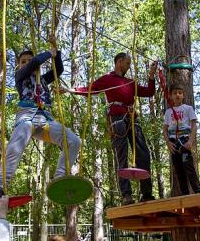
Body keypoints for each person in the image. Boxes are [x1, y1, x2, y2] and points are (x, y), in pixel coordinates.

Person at [0, 43, 81, 200]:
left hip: (45, 120)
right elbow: (34, 62)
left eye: (28, 60)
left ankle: (59, 178)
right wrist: (47, 54)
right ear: (19, 65)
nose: (27, 63)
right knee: (14, 147)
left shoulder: (43, 79)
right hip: (27, 117)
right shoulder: (20, 76)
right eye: (23, 61)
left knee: (74, 141)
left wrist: (55, 50)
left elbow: (59, 70)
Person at [63, 52, 157, 205]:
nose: (128, 66)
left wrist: (151, 77)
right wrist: (69, 90)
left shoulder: (130, 82)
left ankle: (146, 193)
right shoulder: (107, 79)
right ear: (119, 62)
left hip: (132, 117)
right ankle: (126, 195)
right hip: (117, 119)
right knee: (122, 156)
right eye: (127, 63)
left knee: (143, 154)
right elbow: (90, 89)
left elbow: (149, 92)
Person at [163, 85, 200, 195]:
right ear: (170, 96)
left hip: (184, 139)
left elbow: (194, 125)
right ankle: (185, 194)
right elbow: (165, 129)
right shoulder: (168, 112)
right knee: (178, 169)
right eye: (175, 93)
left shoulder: (188, 108)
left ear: (183, 95)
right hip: (173, 142)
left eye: (180, 93)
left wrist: (190, 141)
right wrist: (168, 142)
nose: (177, 95)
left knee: (188, 166)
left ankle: (198, 191)